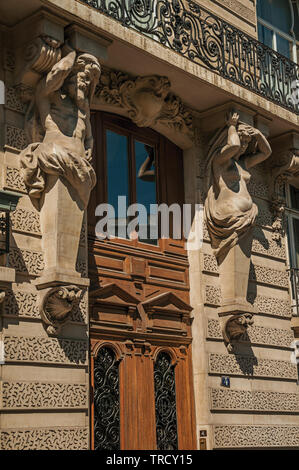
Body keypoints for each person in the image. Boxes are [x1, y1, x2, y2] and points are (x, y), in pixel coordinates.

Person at [20, 46, 101, 209]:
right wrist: (70, 54)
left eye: (88, 81)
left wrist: (90, 146)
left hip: (82, 169)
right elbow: (61, 70)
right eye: (83, 78)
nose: (86, 84)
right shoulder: (50, 97)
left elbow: (89, 136)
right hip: (56, 160)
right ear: (69, 77)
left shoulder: (83, 110)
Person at [204, 112, 271, 263]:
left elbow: (266, 153)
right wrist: (232, 126)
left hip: (247, 216)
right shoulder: (220, 160)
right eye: (243, 141)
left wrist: (259, 135)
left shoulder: (243, 163)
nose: (244, 146)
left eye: (247, 143)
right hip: (230, 216)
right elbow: (233, 146)